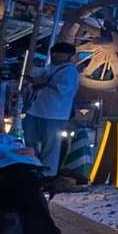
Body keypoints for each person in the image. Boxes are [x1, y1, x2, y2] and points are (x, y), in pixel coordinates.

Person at [22, 41, 79, 183]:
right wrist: (34, 83)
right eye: (53, 53)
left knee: (51, 144)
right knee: (29, 138)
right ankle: (34, 166)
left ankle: (48, 173)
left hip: (56, 113)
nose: (54, 56)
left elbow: (66, 90)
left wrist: (45, 83)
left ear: (67, 55)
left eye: (58, 53)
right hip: (36, 110)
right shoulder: (48, 68)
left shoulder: (70, 71)